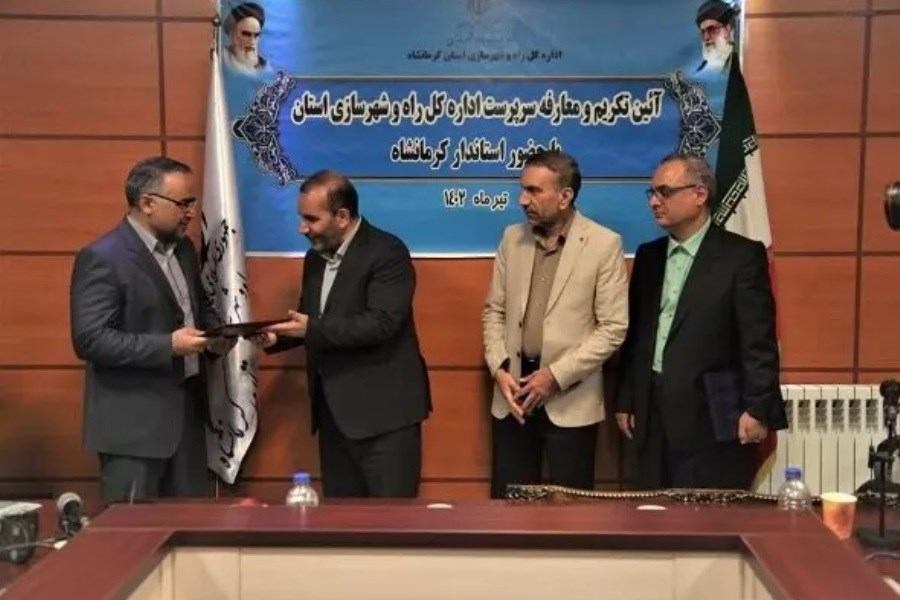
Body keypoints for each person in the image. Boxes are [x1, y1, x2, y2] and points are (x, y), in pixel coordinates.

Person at [615, 153, 787, 490]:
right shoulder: (649, 256)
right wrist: (627, 398)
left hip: (714, 417)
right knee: (653, 510)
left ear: (699, 194)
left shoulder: (741, 256)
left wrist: (758, 409)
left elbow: (758, 342)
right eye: (651, 193)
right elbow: (637, 337)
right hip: (651, 414)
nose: (653, 202)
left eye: (664, 192)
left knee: (708, 515)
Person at [257, 170, 431, 498]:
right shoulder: (315, 258)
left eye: (311, 219)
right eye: (301, 218)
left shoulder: (387, 252)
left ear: (342, 217)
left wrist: (311, 328)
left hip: (384, 419)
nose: (302, 228)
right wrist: (275, 338)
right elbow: (313, 321)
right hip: (335, 418)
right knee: (340, 522)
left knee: (393, 522)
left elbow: (382, 323)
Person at [70, 156, 231, 504]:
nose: (191, 213)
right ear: (147, 203)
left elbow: (196, 311)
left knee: (192, 530)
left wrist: (217, 337)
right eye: (183, 203)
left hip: (187, 423)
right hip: (133, 433)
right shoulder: (103, 257)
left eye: (192, 203)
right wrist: (168, 346)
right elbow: (91, 339)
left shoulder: (184, 249)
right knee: (133, 531)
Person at [482, 149, 629, 499]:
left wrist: (554, 376)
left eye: (534, 191)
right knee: (509, 510)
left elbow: (613, 328)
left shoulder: (603, 244)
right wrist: (499, 368)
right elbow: (494, 312)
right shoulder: (512, 238)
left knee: (571, 514)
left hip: (569, 400)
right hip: (513, 399)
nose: (523, 200)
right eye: (522, 189)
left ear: (565, 197)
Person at [223, 2, 270, 76]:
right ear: (232, 34)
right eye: (246, 34)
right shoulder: (220, 60)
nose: (252, 42)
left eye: (256, 35)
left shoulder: (265, 68)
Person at [695, 0, 738, 72]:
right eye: (703, 32)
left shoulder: (743, 64)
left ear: (727, 29)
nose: (706, 37)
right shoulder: (699, 72)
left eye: (711, 29)